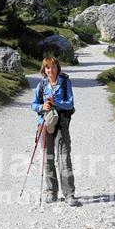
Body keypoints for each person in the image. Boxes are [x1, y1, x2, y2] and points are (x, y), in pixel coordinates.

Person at [31, 56, 81, 206]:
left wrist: (56, 102)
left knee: (64, 158)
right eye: (47, 68)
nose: (50, 70)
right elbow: (33, 104)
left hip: (62, 123)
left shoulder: (65, 83)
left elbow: (70, 104)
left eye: (53, 67)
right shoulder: (41, 85)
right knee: (48, 158)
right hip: (45, 124)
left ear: (57, 68)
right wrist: (42, 107)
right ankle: (51, 192)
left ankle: (69, 194)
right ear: (44, 70)